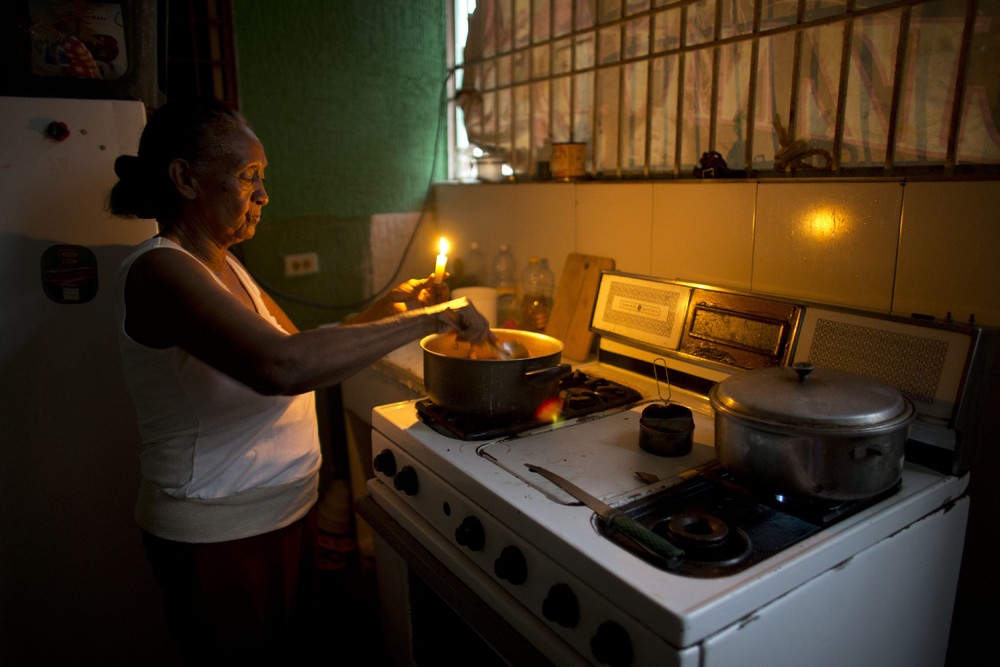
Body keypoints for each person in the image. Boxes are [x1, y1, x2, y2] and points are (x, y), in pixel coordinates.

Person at [107, 97, 490, 660]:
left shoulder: (227, 262)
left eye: (263, 177)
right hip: (219, 532)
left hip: (279, 513)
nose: (264, 195)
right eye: (249, 177)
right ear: (185, 178)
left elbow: (294, 349)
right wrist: (430, 319)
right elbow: (282, 368)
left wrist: (391, 306)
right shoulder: (161, 269)